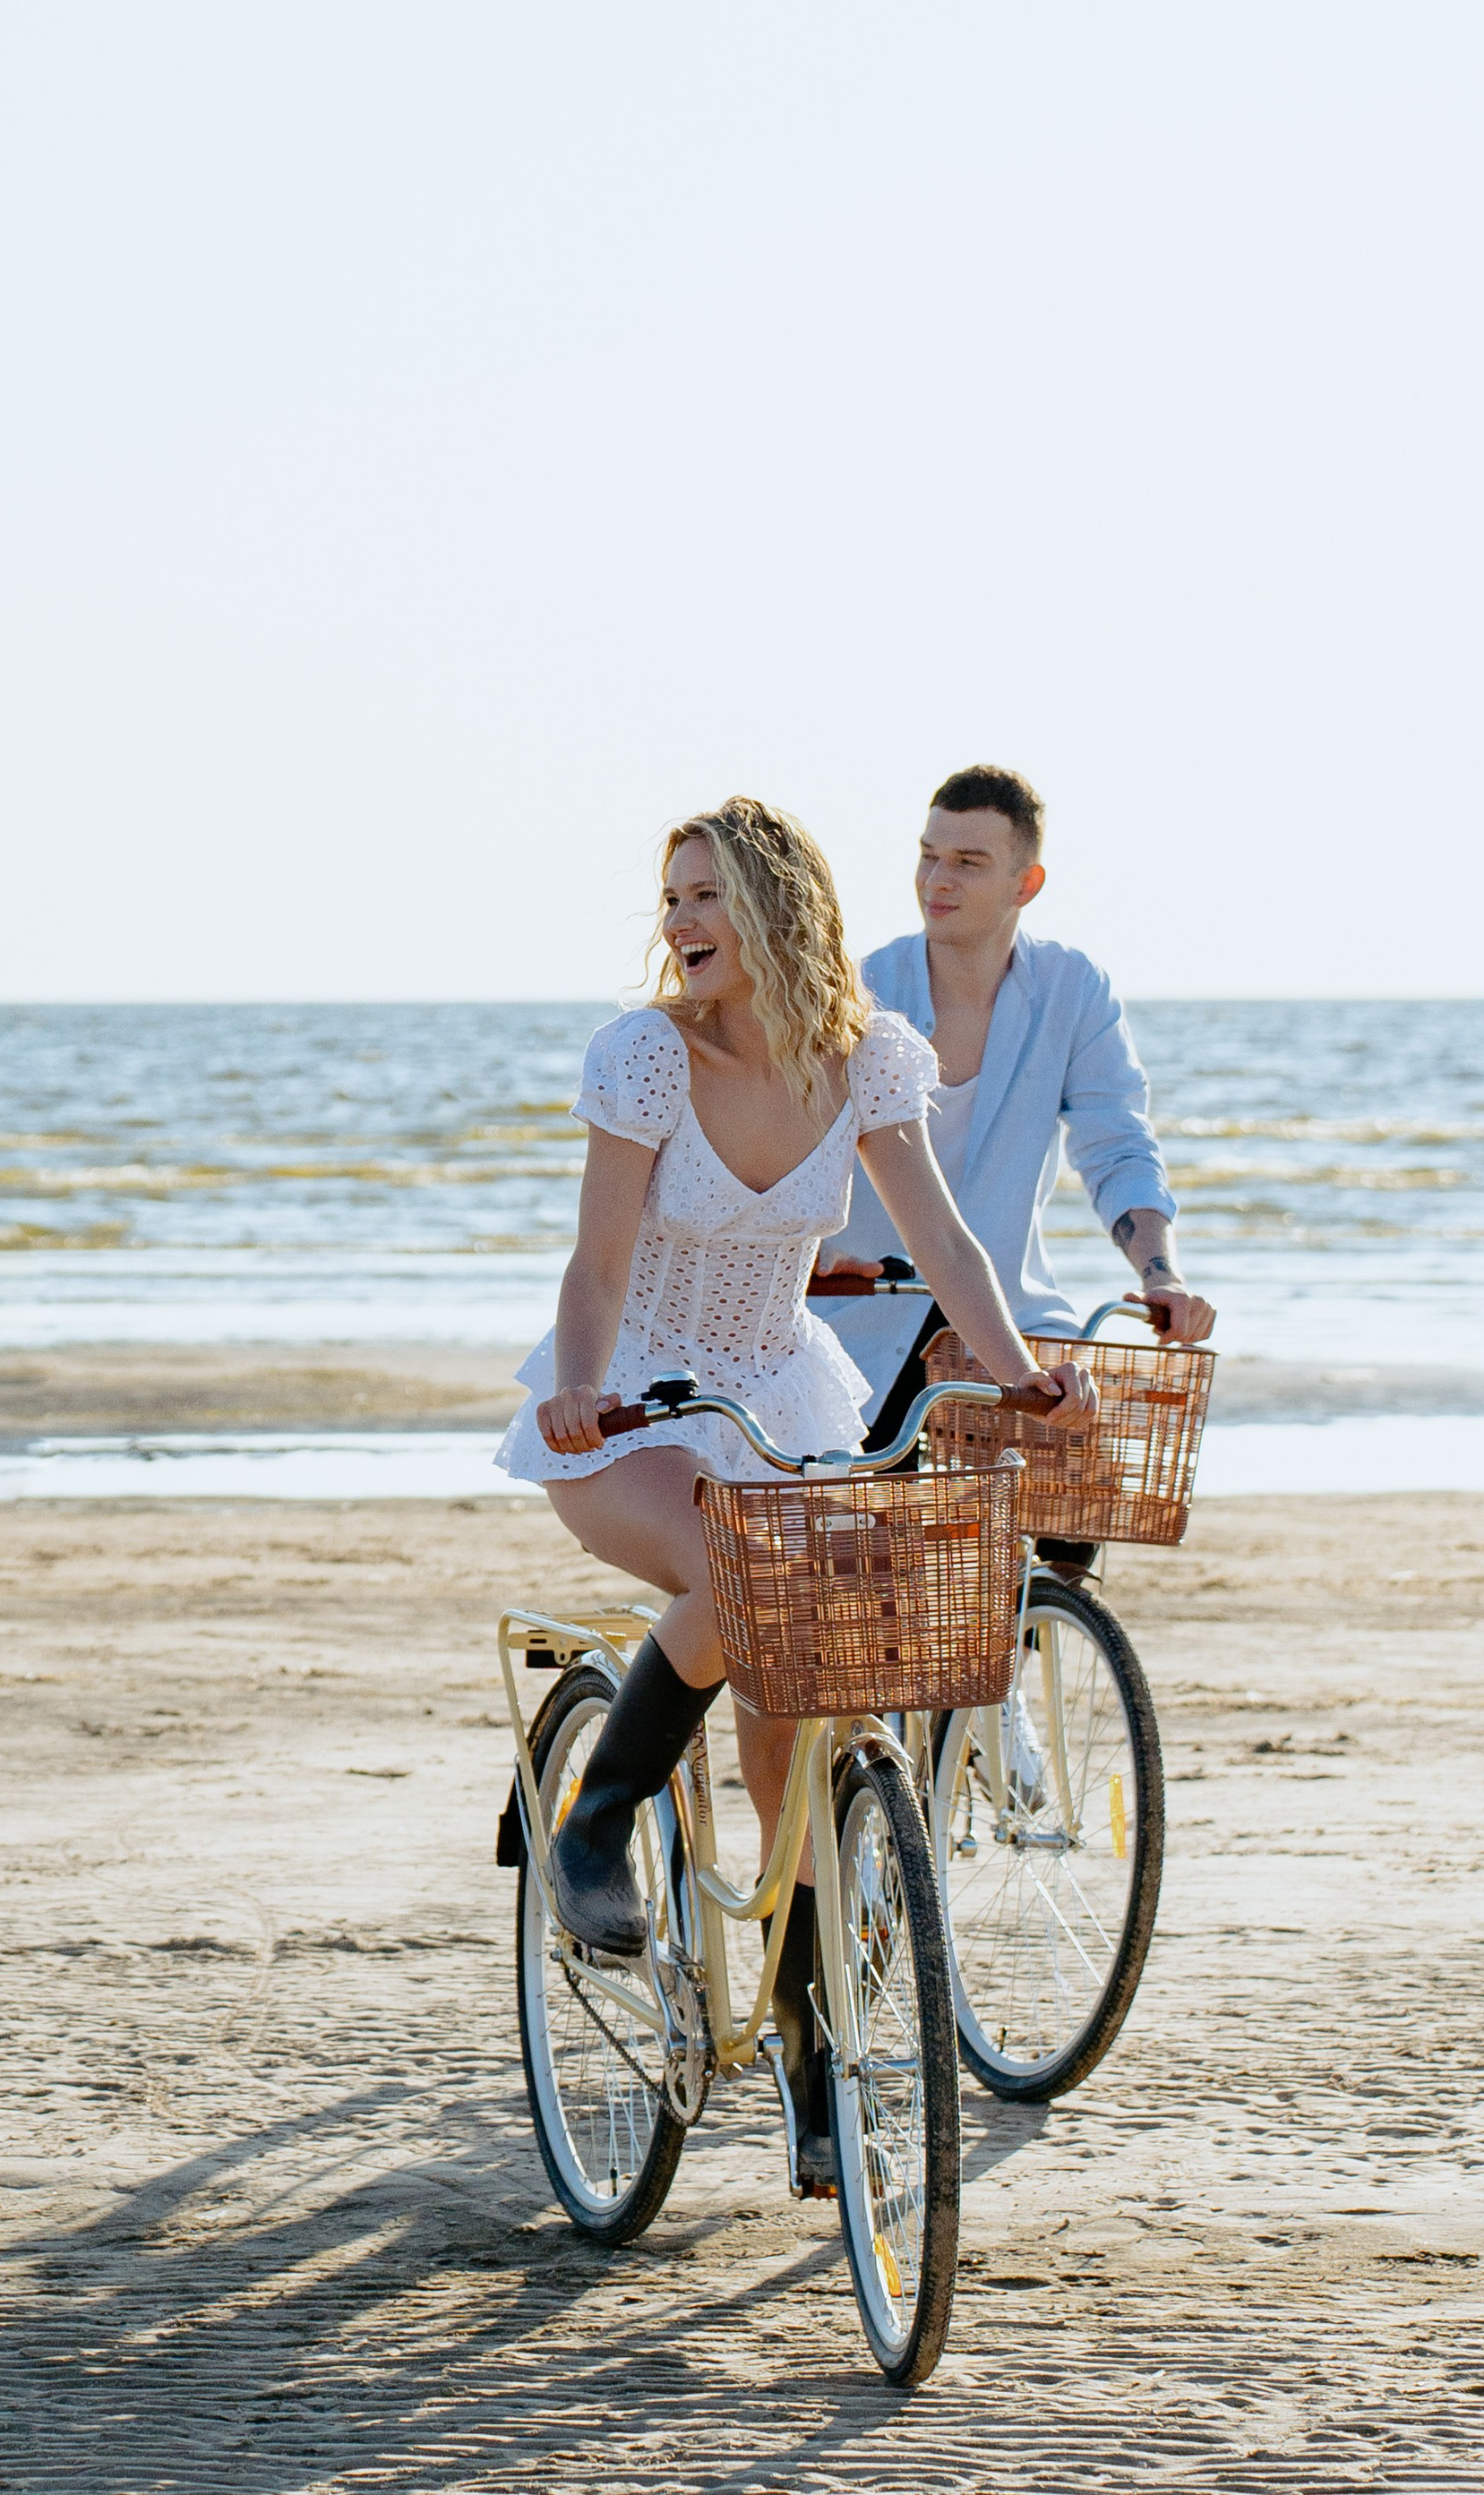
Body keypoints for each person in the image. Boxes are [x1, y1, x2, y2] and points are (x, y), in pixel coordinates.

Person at [493, 795, 1094, 2189]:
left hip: (782, 1391)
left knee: (807, 1708)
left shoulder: (869, 1059)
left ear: (775, 913)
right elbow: (595, 1265)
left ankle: (816, 2060)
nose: (679, 921)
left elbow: (945, 1240)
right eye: (673, 896)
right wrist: (580, 1383)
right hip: (638, 1398)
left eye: (706, 897)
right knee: (733, 1576)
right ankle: (598, 1818)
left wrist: (1015, 1376)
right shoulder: (647, 1059)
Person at [809, 766, 1214, 1546]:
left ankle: (1038, 1635)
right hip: (862, 1315)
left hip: (1006, 1313)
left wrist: (1160, 1274)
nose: (938, 879)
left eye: (968, 862)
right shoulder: (858, 992)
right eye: (929, 855)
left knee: (1074, 1519)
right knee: (871, 1560)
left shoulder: (1072, 988)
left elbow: (1117, 1139)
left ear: (1025, 884)